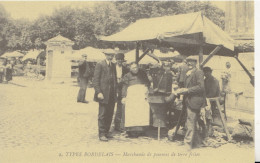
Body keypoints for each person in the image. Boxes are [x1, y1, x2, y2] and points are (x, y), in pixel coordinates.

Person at [174, 56, 206, 150]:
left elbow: (201, 87)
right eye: (188, 62)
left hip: (195, 100)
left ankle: (187, 144)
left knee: (190, 122)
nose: (189, 64)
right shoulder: (188, 73)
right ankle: (197, 143)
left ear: (195, 63)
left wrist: (187, 90)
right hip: (188, 100)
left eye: (191, 62)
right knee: (192, 121)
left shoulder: (198, 72)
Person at [93, 49, 117, 142]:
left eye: (112, 55)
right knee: (102, 114)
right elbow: (95, 80)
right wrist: (99, 92)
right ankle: (101, 134)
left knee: (110, 114)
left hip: (112, 94)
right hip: (103, 94)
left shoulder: (113, 65)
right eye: (109, 55)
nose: (110, 57)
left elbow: (114, 79)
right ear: (105, 55)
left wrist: (116, 92)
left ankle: (106, 132)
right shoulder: (100, 64)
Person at [121, 63, 151, 138]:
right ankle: (130, 131)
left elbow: (147, 83)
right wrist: (123, 96)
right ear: (130, 69)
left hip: (141, 96)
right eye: (133, 68)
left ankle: (141, 131)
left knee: (141, 112)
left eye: (136, 67)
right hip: (132, 96)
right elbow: (124, 86)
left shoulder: (142, 74)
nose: (135, 69)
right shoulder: (127, 76)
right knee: (131, 113)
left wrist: (146, 88)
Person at [200, 66, 220, 139]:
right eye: (204, 72)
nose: (205, 74)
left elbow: (212, 93)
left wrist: (204, 99)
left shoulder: (214, 80)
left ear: (210, 72)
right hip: (206, 99)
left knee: (206, 112)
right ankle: (202, 129)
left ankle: (207, 130)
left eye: (207, 72)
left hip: (213, 100)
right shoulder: (205, 80)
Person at [113, 53, 129, 132]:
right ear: (116, 60)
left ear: (123, 60)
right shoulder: (112, 68)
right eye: (118, 59)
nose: (119, 61)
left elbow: (126, 79)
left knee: (120, 107)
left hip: (121, 89)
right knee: (111, 107)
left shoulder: (125, 69)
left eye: (121, 59)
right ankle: (108, 124)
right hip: (112, 89)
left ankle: (117, 125)